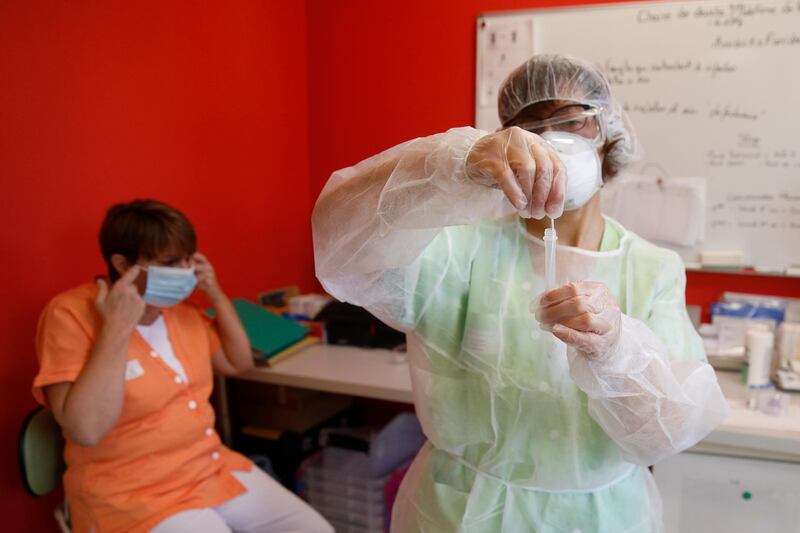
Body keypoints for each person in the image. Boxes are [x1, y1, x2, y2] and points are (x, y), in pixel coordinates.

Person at [312, 54, 729, 532]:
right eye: (532, 126)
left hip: (599, 517)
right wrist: (453, 166)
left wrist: (618, 353)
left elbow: (671, 428)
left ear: (609, 134)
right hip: (462, 513)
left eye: (574, 121)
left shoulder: (652, 269)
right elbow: (340, 246)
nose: (553, 141)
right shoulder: (458, 247)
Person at [33, 199, 332, 533]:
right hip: (131, 494)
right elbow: (85, 430)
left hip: (208, 469)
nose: (184, 270)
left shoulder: (180, 311)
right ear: (121, 263)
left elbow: (238, 362)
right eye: (169, 262)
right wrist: (117, 328)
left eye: (189, 259)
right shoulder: (70, 314)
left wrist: (214, 293)